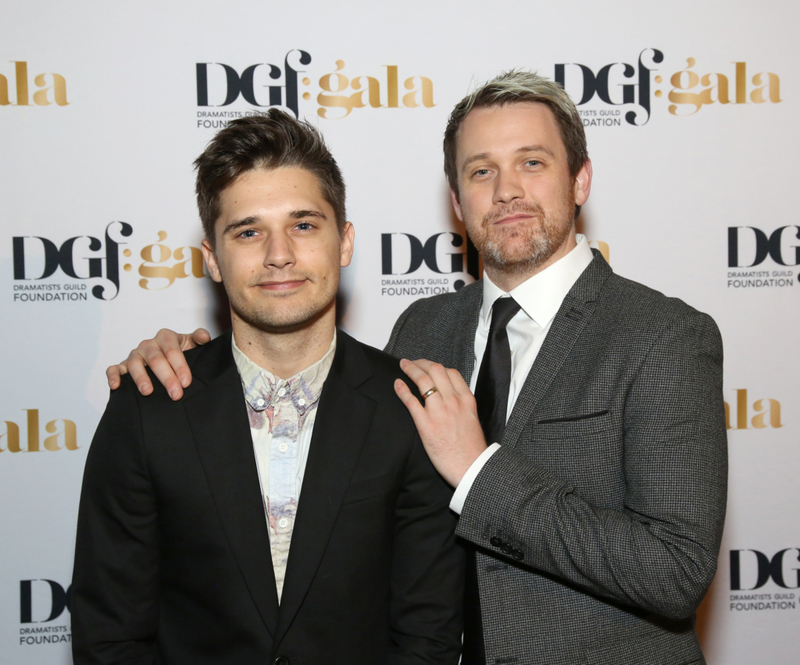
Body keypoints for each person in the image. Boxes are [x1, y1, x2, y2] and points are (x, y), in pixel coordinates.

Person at [107, 72, 727, 665]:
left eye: (532, 163)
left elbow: (675, 571)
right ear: (456, 199)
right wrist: (183, 354)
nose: (506, 190)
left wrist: (478, 472)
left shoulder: (663, 336)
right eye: (481, 171)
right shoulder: (425, 329)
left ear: (581, 179)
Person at [72, 110, 463, 665]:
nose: (278, 253)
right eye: (249, 231)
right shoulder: (147, 407)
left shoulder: (410, 410)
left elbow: (427, 636)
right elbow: (109, 634)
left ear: (344, 242)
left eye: (304, 224)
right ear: (212, 258)